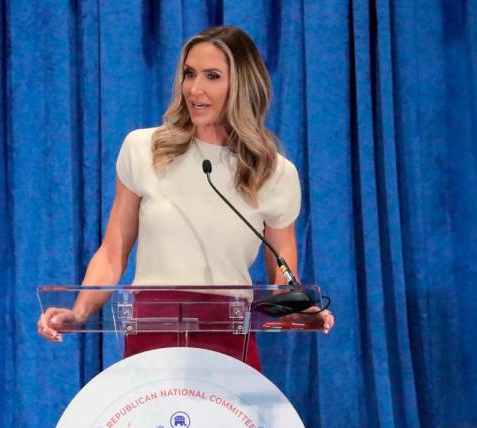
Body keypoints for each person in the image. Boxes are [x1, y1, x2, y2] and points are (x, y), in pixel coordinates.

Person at [37, 26, 334, 369]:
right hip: (152, 335)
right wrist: (79, 311)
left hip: (229, 342)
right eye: (189, 74)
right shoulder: (144, 149)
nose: (195, 88)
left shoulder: (276, 174)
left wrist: (301, 310)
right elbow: (113, 252)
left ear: (243, 85)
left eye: (212, 76)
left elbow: (281, 285)